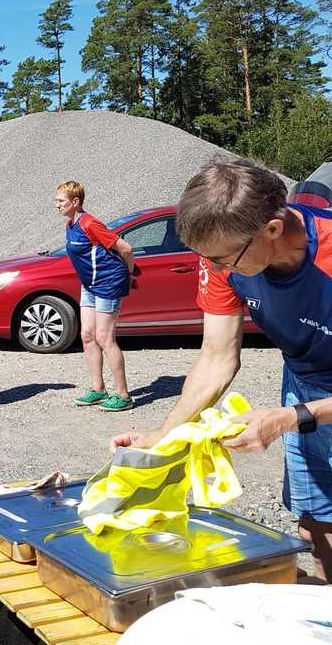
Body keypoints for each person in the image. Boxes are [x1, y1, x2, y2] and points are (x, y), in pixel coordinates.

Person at [111, 158, 332, 580]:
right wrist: (166, 434)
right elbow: (216, 356)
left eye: (223, 259)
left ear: (271, 229)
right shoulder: (222, 259)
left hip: (307, 405)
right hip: (303, 382)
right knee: (316, 526)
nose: (216, 269)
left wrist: (290, 418)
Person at [55, 181, 135, 412]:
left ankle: (123, 395)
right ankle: (98, 390)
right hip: (89, 285)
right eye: (56, 201)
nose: (56, 205)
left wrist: (129, 274)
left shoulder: (90, 223)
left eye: (60, 201)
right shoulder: (70, 224)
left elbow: (126, 248)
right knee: (87, 335)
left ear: (75, 202)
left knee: (104, 337)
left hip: (108, 283)